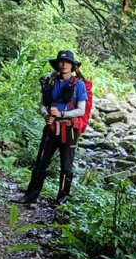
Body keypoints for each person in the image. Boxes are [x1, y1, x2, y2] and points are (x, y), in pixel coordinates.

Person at [10, 50, 87, 205]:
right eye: (61, 61)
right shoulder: (50, 82)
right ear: (58, 64)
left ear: (72, 66)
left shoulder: (79, 85)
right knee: (40, 162)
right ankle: (30, 196)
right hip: (51, 127)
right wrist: (46, 114)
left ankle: (62, 199)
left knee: (66, 165)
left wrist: (62, 114)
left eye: (67, 62)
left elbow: (81, 110)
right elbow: (43, 104)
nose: (64, 64)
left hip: (69, 130)